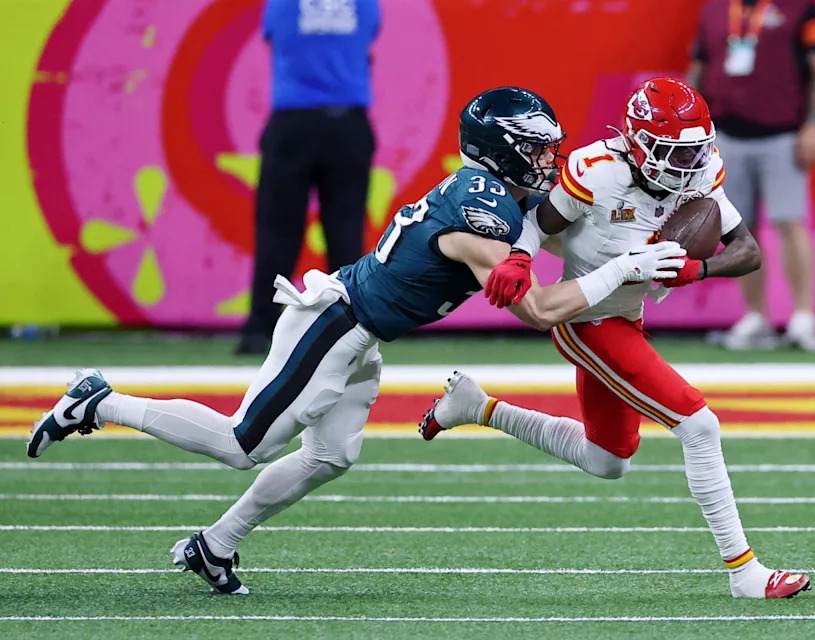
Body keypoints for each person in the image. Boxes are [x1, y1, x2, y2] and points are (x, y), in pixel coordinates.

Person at [27, 87, 688, 595]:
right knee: (241, 445)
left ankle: (216, 545)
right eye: (540, 147)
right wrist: (626, 269)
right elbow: (542, 310)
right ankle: (98, 401)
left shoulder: (495, 198)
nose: (551, 158)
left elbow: (533, 253)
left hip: (365, 332)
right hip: (337, 321)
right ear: (506, 149)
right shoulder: (484, 205)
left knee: (331, 457)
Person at [421, 78, 810, 599]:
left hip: (625, 317)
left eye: (697, 147)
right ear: (639, 142)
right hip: (588, 320)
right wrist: (519, 256)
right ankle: (745, 572)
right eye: (677, 150)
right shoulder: (597, 172)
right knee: (699, 424)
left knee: (607, 460)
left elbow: (748, 250)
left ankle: (478, 408)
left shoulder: (700, 169)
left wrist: (699, 269)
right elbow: (537, 220)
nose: (690, 161)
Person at [688, 0, 815, 351]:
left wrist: (812, 125)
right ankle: (756, 317)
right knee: (740, 228)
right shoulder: (715, 9)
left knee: (790, 222)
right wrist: (692, 129)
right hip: (726, 133)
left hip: (782, 132)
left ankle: (804, 316)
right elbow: (699, 67)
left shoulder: (800, 8)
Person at [238, 0, 381, 355]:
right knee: (345, 231)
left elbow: (274, 37)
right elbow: (369, 36)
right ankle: (350, 330)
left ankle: (261, 331)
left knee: (277, 230)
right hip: (348, 123)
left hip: (294, 121)